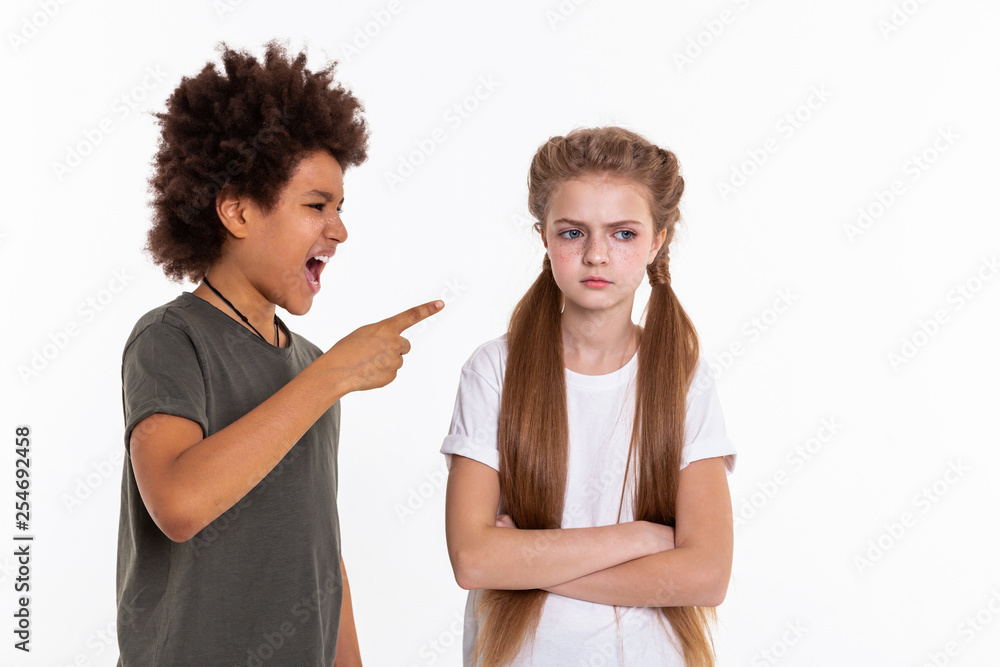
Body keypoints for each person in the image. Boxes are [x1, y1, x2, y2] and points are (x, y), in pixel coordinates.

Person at [116, 41, 442, 666]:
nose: (339, 229)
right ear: (237, 210)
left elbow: (321, 550)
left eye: (341, 208)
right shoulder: (170, 338)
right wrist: (332, 377)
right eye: (316, 205)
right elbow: (178, 504)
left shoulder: (314, 363)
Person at [440, 126, 737, 666]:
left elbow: (707, 574)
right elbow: (475, 560)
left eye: (623, 234)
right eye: (573, 233)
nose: (596, 255)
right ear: (544, 236)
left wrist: (529, 562)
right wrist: (645, 537)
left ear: (658, 240)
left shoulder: (684, 379)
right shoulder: (495, 371)